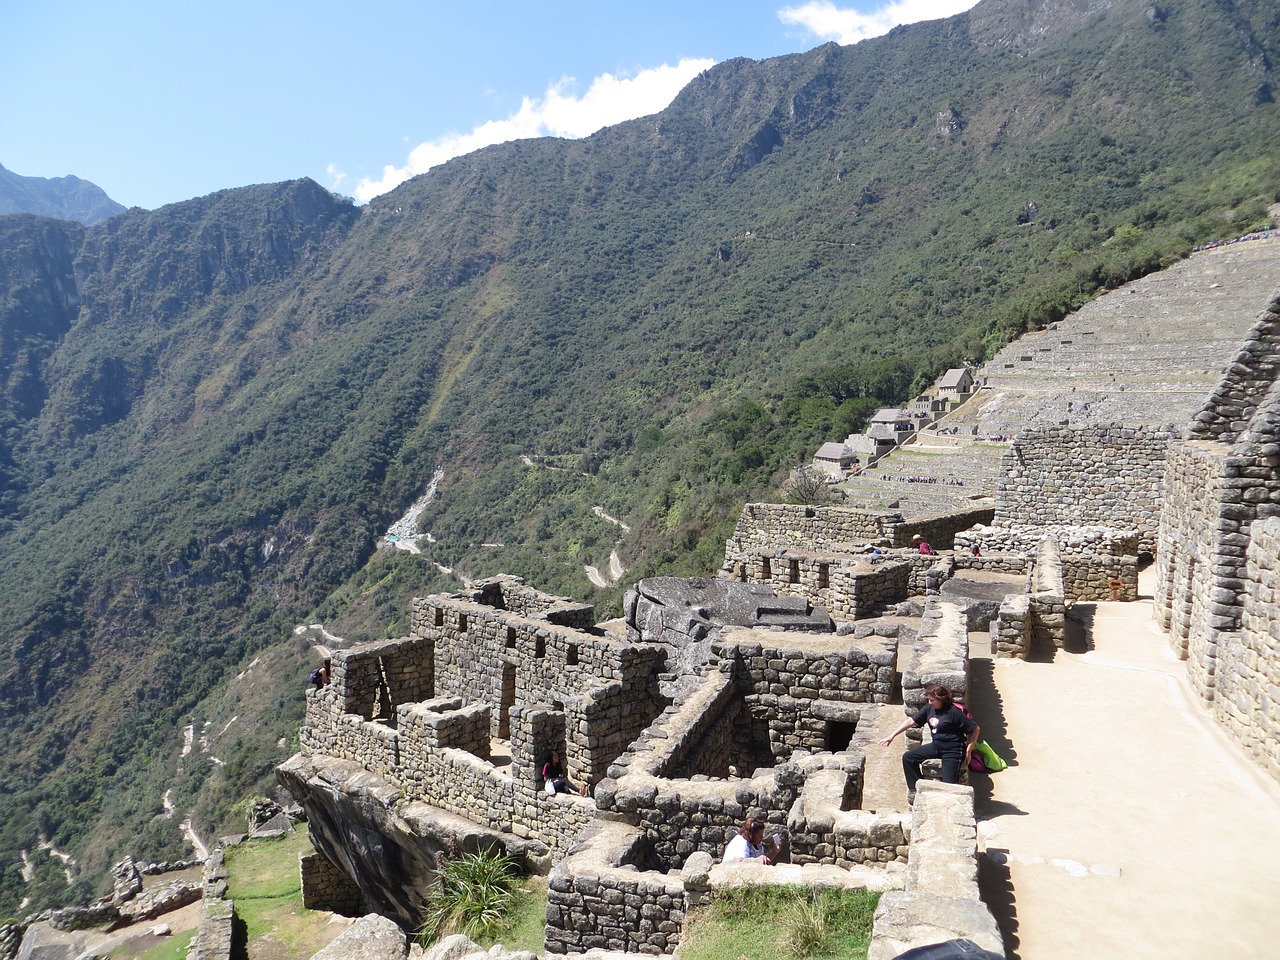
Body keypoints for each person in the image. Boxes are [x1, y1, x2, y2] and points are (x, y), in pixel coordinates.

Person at [880, 683, 979, 803]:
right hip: (936, 745)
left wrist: (968, 750)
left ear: (941, 700)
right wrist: (892, 736)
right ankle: (916, 789)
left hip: (953, 749)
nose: (929, 702)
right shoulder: (929, 708)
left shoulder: (954, 713)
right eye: (928, 699)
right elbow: (911, 721)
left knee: (949, 785)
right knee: (908, 758)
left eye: (932, 700)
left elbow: (975, 729)